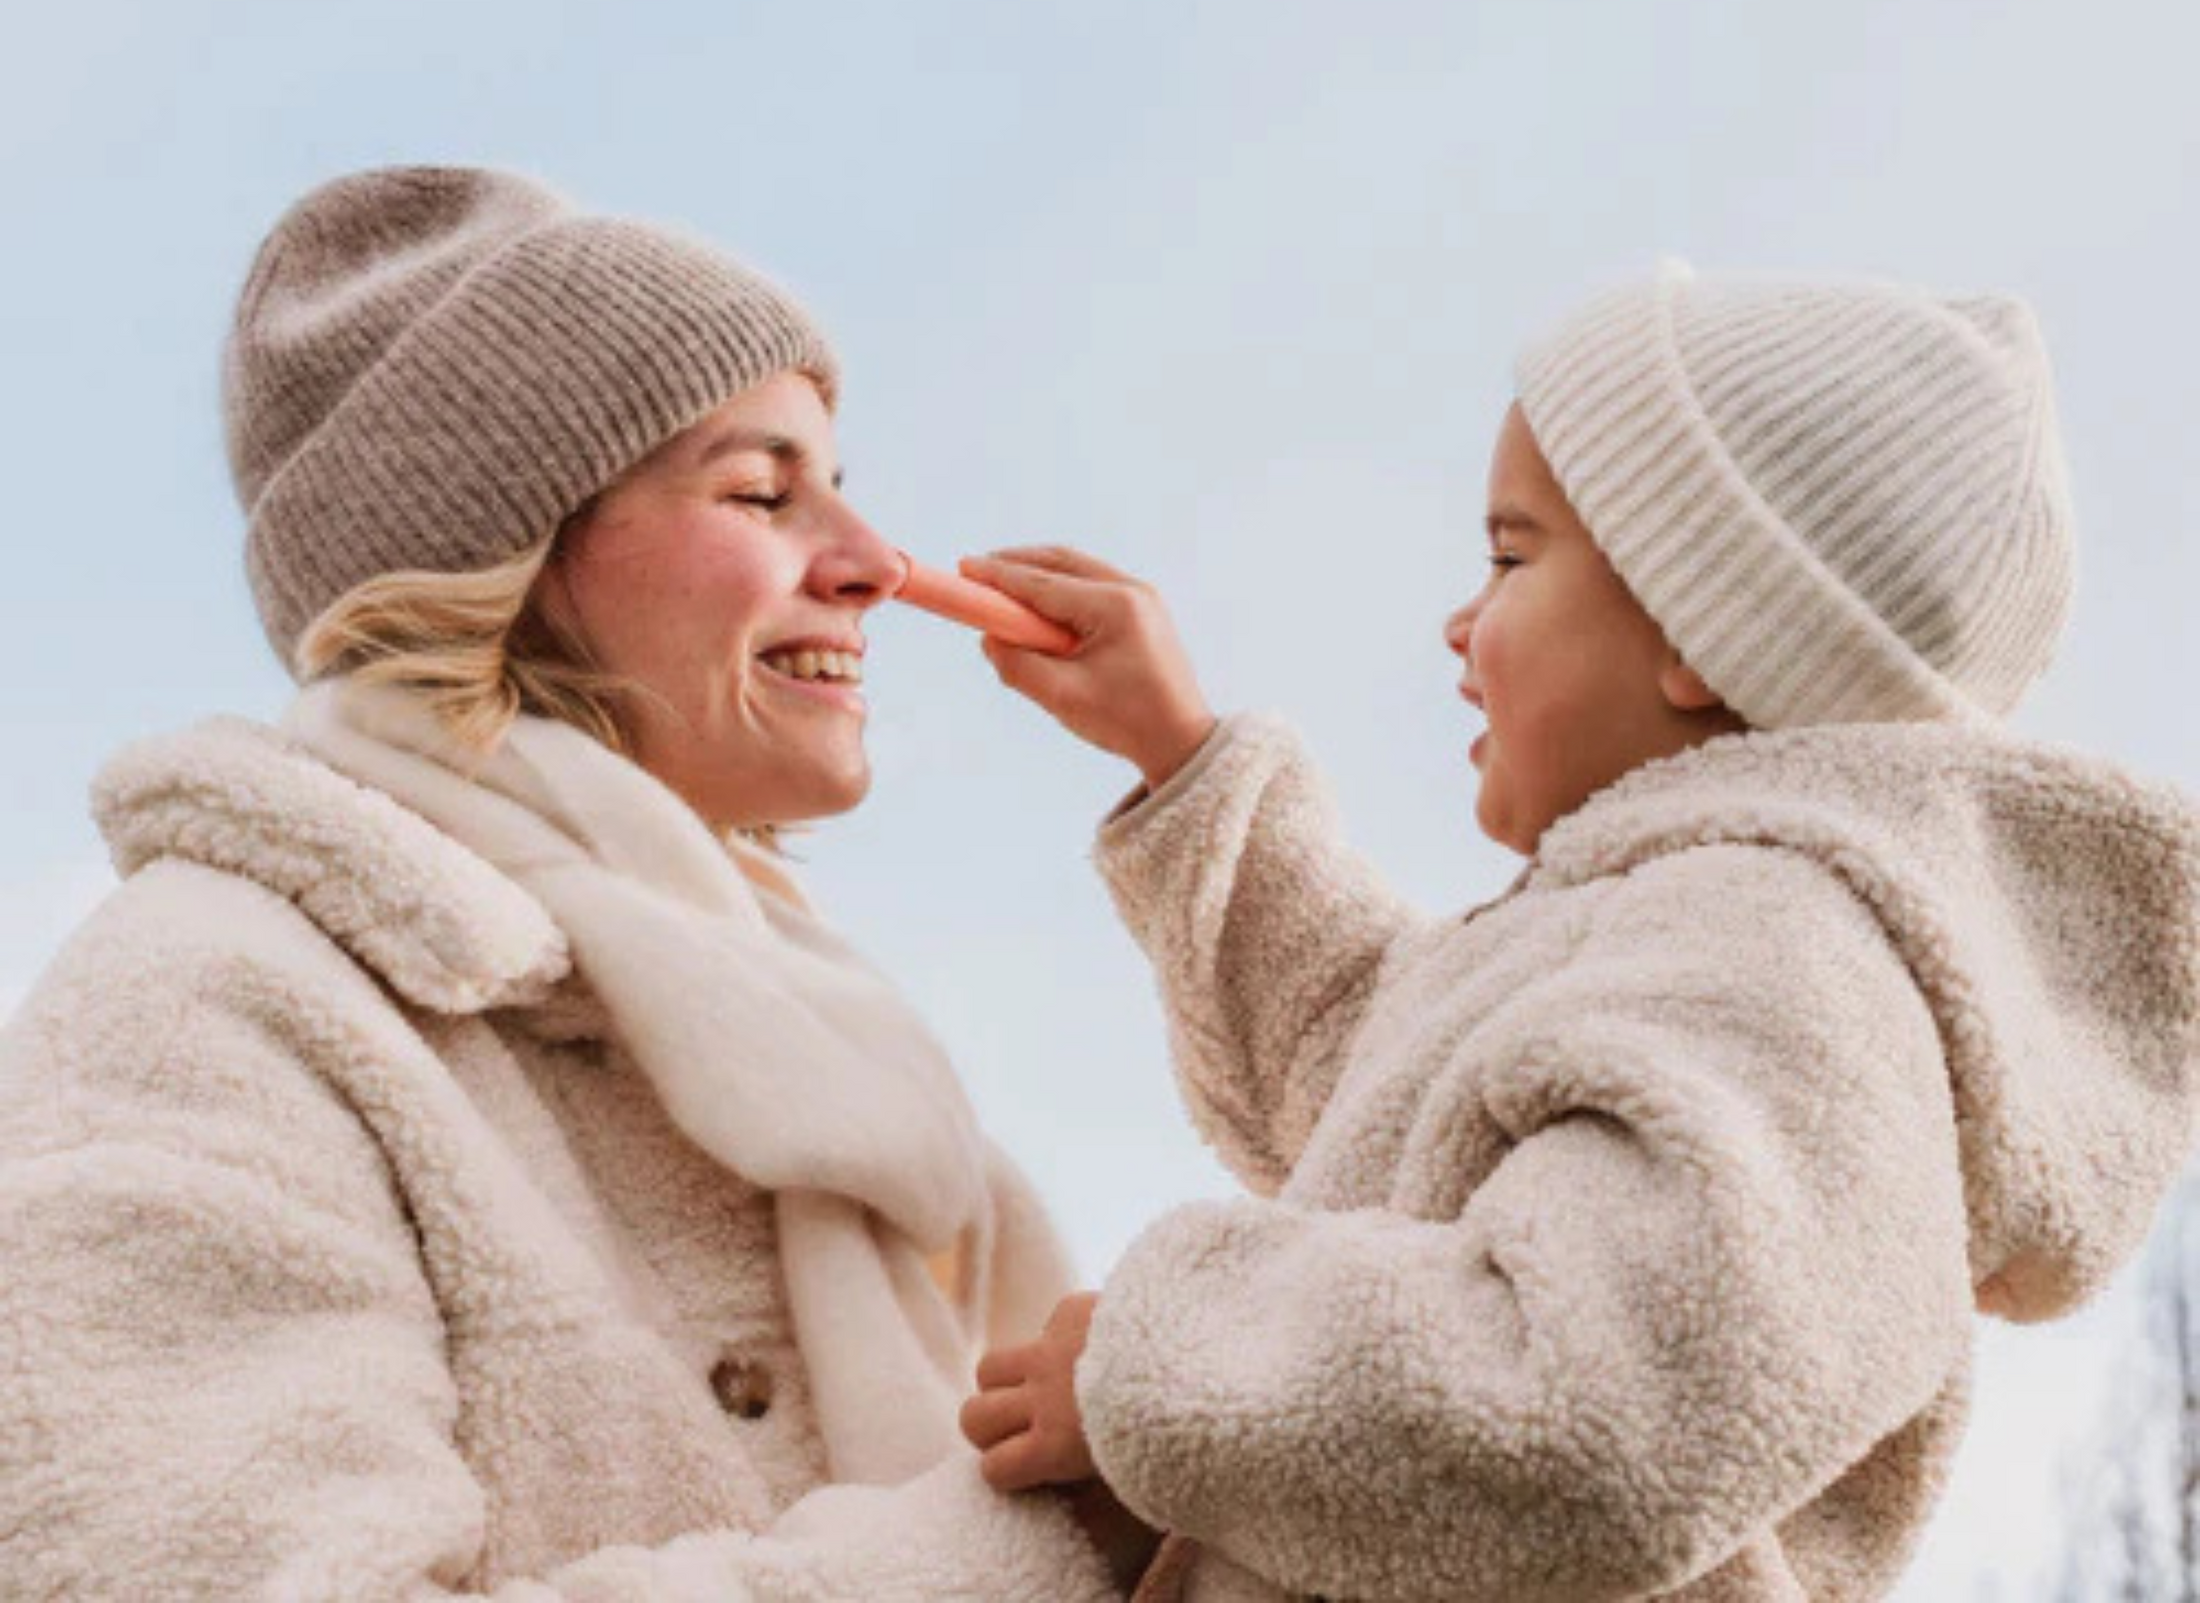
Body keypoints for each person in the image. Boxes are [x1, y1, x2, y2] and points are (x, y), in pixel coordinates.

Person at [957, 262, 2200, 1601]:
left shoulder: (1790, 957)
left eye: (1508, 556)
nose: (1459, 621)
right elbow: (1376, 1077)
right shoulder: (1668, 942)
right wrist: (1181, 757)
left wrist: (1157, 1370)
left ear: (1703, 632)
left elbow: (1593, 1404)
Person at [0, 166, 1148, 1600]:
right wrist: (1041, 1544)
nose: (872, 564)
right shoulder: (203, 1011)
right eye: (759, 491)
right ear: (508, 560)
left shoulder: (844, 1060)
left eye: (839, 489)